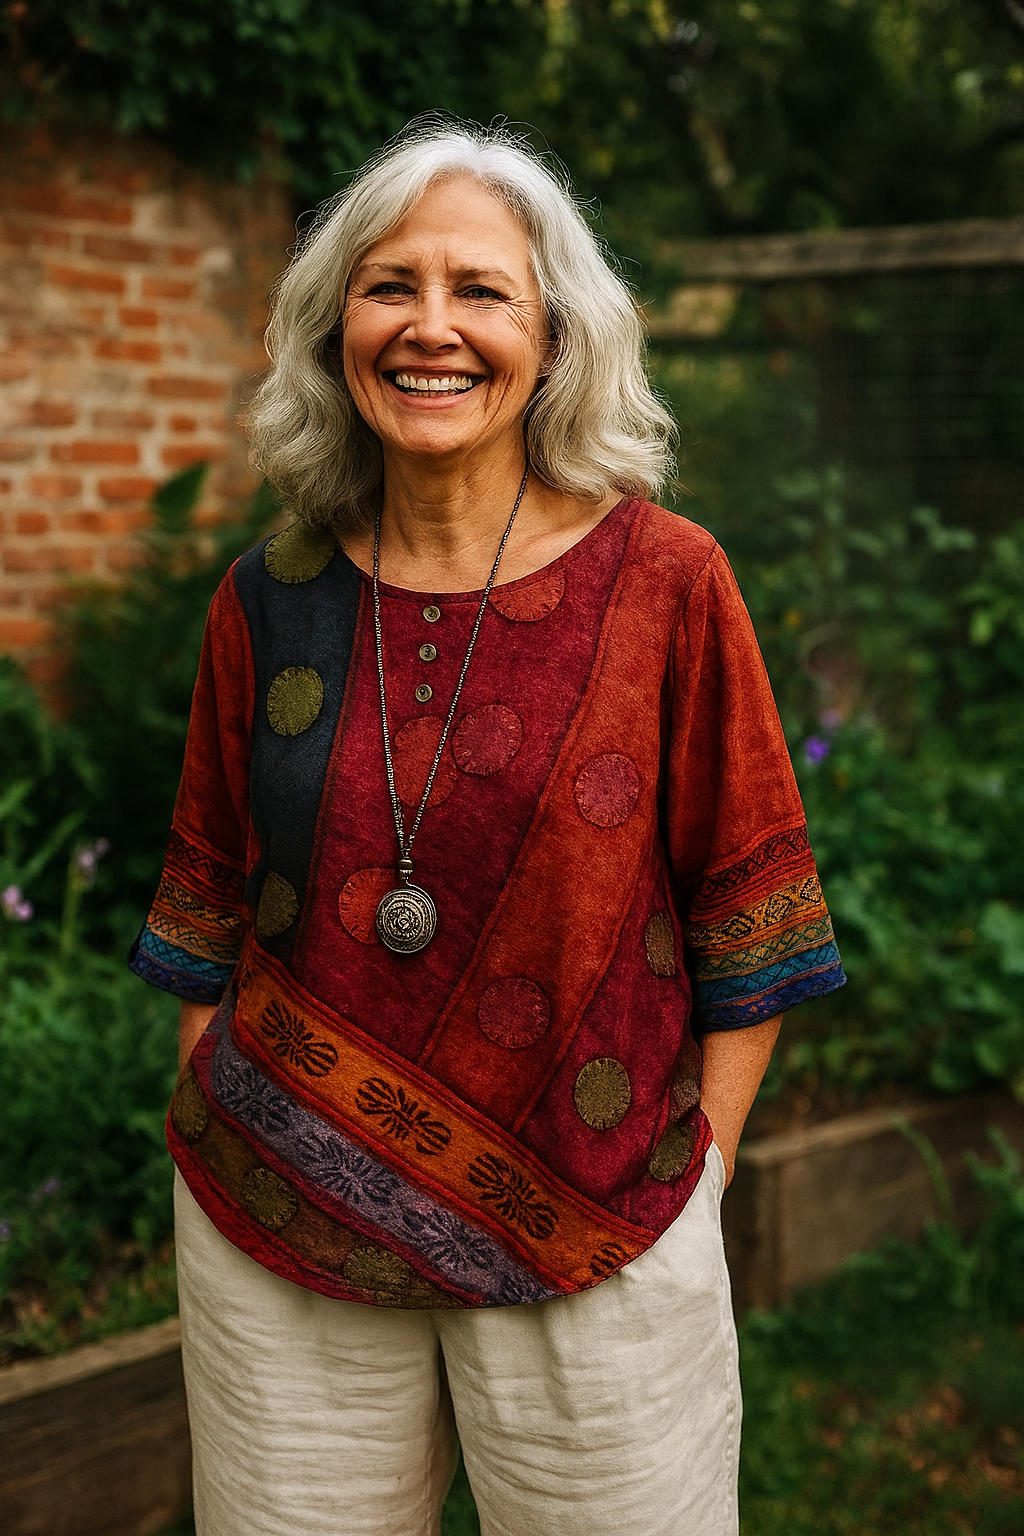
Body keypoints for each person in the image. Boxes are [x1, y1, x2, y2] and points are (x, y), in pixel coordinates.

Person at [130, 118, 845, 1536]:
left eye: (481, 291)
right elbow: (208, 893)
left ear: (556, 335)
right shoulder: (266, 593)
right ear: (337, 325)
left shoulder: (668, 584)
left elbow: (753, 907)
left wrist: (692, 1175)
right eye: (391, 285)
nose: (431, 328)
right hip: (281, 1234)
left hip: (595, 1226)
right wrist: (222, 1090)